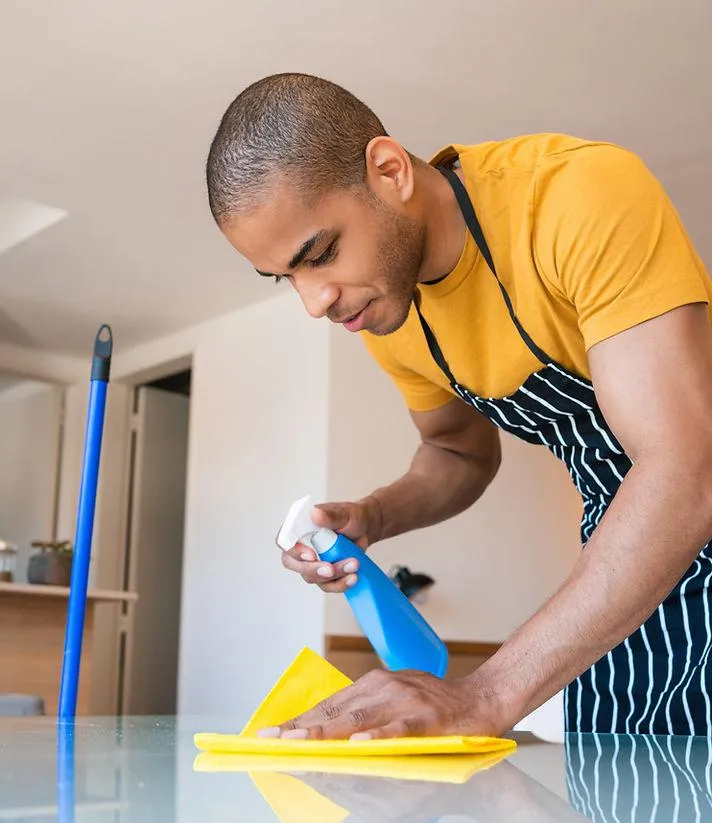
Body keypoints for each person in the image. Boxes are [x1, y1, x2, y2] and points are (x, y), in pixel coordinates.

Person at [205, 72, 712, 739]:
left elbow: (685, 467)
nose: (314, 301)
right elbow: (457, 451)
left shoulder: (576, 194)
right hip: (626, 563)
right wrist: (374, 516)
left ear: (390, 170)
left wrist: (489, 692)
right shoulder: (385, 311)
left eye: (321, 253)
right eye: (286, 277)